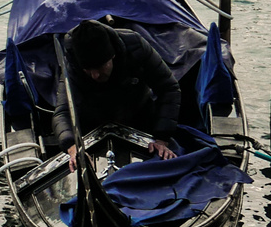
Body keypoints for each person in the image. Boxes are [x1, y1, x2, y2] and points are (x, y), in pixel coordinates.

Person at [54, 18, 180, 171]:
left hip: (139, 121)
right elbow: (63, 111)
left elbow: (168, 87)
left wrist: (162, 138)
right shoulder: (72, 65)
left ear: (112, 56)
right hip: (94, 129)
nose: (95, 75)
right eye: (88, 69)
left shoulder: (136, 47)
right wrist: (73, 147)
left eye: (100, 67)